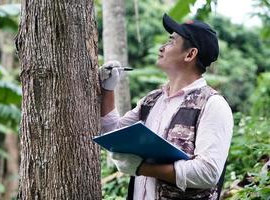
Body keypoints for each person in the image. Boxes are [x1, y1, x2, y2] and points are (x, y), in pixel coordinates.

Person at [99, 13, 233, 200]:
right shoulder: (152, 100)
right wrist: (108, 88)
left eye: (171, 41)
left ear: (190, 54)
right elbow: (113, 133)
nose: (162, 47)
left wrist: (142, 168)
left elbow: (208, 172)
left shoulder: (212, 105)